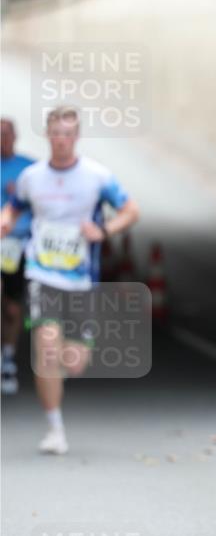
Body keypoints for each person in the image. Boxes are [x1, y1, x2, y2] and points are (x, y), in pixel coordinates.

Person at [0, 106, 139, 454]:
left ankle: (65, 366)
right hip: (41, 272)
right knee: (46, 348)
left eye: (68, 133)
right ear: (47, 135)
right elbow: (14, 207)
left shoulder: (96, 176)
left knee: (74, 362)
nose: (61, 140)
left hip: (80, 280)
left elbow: (131, 211)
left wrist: (104, 230)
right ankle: (55, 429)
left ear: (76, 137)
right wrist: (4, 220)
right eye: (56, 133)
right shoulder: (33, 177)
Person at [1, 117, 35, 394]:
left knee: (13, 307)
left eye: (7, 135)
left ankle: (8, 357)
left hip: (18, 245)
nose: (4, 140)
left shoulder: (29, 170)